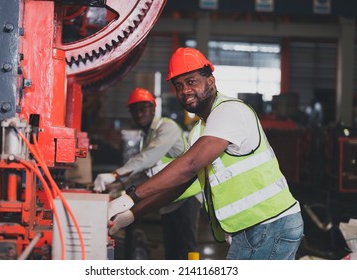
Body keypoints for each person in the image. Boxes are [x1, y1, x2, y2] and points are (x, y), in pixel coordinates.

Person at [107, 48, 304, 260]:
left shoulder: (230, 111)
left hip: (268, 224)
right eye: (178, 86)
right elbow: (181, 182)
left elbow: (190, 164)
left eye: (191, 81)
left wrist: (132, 195)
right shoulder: (200, 131)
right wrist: (133, 212)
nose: (184, 91)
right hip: (256, 226)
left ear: (210, 81)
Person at [94, 87, 202, 260]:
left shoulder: (166, 127)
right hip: (166, 200)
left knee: (187, 247)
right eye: (135, 111)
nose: (139, 114)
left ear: (153, 108)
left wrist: (115, 174)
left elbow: (148, 158)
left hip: (185, 197)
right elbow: (148, 175)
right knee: (172, 251)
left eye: (143, 108)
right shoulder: (149, 135)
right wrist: (116, 188)